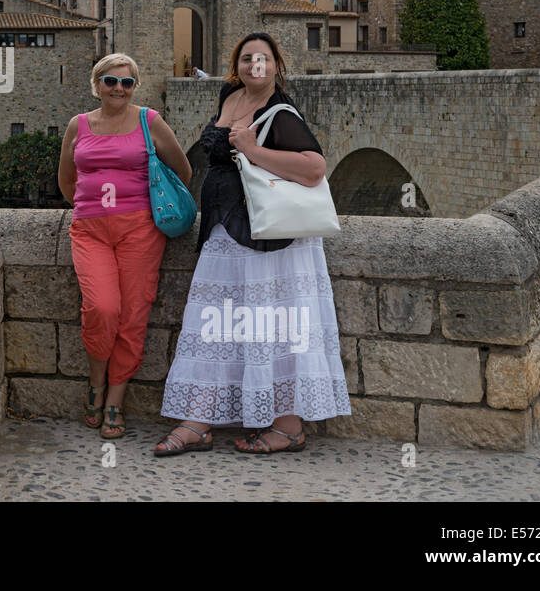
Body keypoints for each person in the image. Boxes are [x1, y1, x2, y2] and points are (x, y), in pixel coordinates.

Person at [155, 31, 350, 456]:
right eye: (247, 59)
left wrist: (251, 149)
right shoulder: (229, 96)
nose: (254, 66)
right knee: (212, 326)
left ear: (276, 66)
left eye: (262, 59)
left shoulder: (281, 111)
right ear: (236, 65)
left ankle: (288, 426)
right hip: (224, 232)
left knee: (274, 327)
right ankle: (198, 422)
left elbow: (314, 168)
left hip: (269, 238)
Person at [57, 53, 193, 439]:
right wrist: (92, 206)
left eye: (126, 82)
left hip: (140, 231)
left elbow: (181, 170)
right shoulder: (78, 126)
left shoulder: (149, 122)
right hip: (91, 230)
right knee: (102, 308)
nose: (118, 89)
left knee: (133, 315)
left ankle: (115, 399)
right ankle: (96, 382)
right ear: (97, 84)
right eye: (111, 81)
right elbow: (67, 180)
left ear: (135, 87)